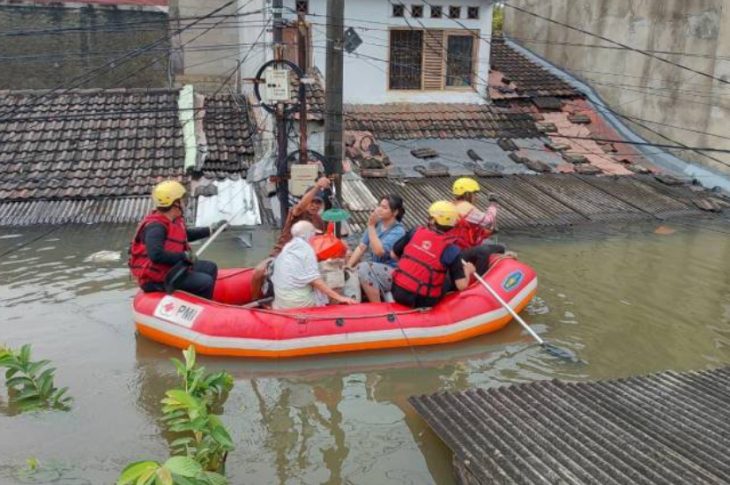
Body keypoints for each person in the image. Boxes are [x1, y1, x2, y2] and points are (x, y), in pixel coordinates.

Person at [128, 180, 227, 299]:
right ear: (175, 203)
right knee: (205, 282)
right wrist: (183, 256)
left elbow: (185, 235)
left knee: (210, 267)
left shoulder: (172, 221)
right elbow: (156, 255)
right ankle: (200, 307)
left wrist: (211, 230)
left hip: (172, 269)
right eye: (182, 199)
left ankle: (203, 300)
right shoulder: (156, 228)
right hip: (157, 280)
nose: (184, 202)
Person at [250, 176, 331, 300]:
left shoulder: (319, 221)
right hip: (281, 254)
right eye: (312, 201)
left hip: (303, 260)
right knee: (259, 272)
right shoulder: (297, 212)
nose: (314, 205)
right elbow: (301, 206)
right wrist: (317, 186)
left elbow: (321, 245)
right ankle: (254, 300)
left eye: (318, 203)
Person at [390, 201, 477, 308]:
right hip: (421, 300)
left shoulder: (415, 232)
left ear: (432, 220)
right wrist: (468, 270)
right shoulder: (452, 249)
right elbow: (461, 286)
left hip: (396, 290)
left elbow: (393, 254)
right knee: (447, 279)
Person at [271, 220, 356, 309]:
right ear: (308, 235)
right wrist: (339, 297)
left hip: (281, 302)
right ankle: (334, 307)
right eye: (313, 234)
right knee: (333, 279)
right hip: (299, 303)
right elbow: (316, 281)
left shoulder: (287, 247)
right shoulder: (306, 249)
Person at [346, 195, 406, 303]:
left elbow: (379, 251)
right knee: (347, 259)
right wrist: (348, 267)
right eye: (380, 206)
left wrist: (371, 226)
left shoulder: (398, 231)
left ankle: (377, 306)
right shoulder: (377, 224)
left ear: (395, 212)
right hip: (375, 269)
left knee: (363, 267)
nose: (379, 209)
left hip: (392, 272)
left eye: (384, 208)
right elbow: (361, 247)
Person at [450, 177, 505, 275]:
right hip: (459, 252)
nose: (476, 197)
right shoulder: (467, 208)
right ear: (468, 194)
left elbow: (469, 231)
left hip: (454, 249)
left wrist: (488, 232)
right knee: (494, 248)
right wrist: (493, 204)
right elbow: (488, 220)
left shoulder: (452, 205)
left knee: (492, 246)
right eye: (474, 194)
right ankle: (481, 275)